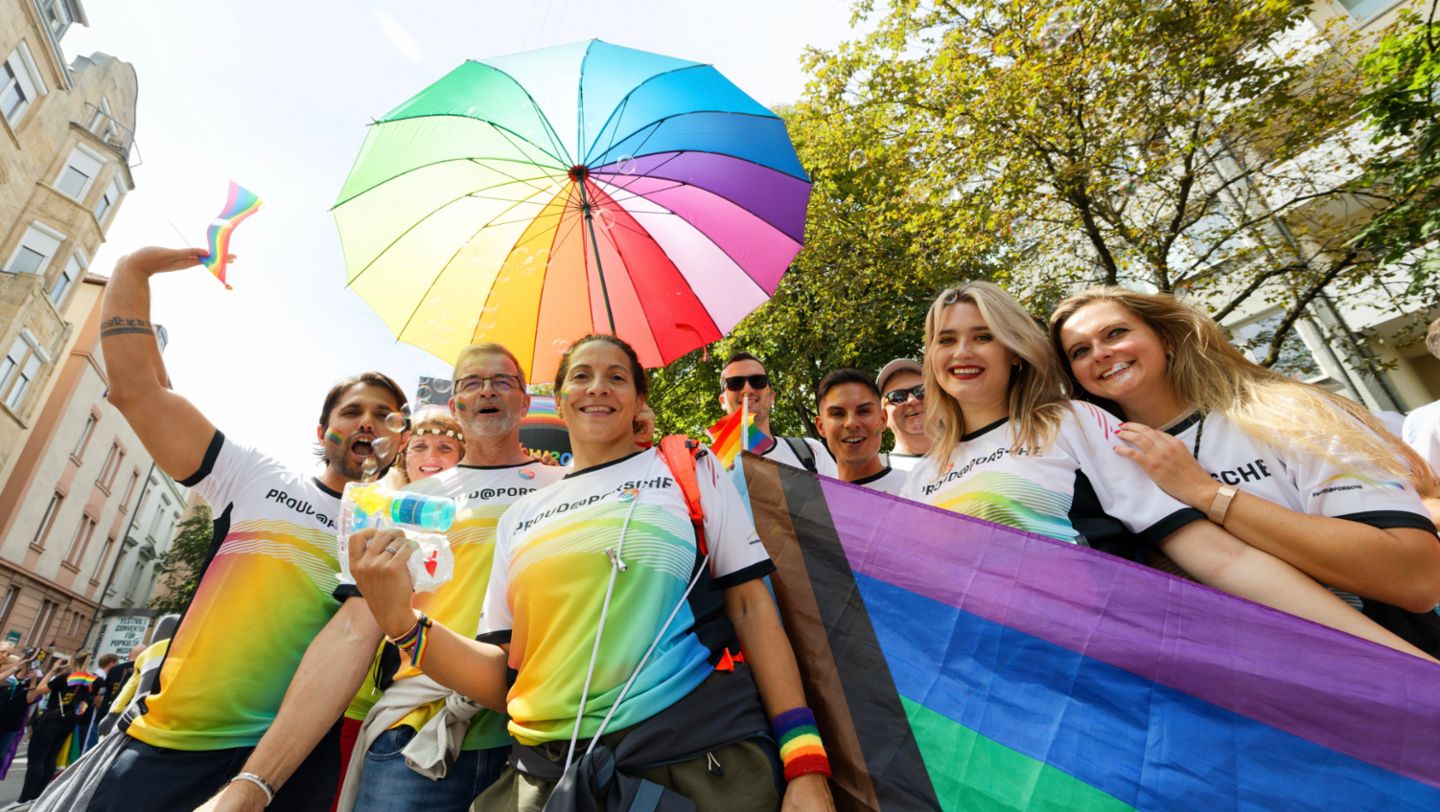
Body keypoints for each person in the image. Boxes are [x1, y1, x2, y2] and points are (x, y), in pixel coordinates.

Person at [351, 334, 836, 811]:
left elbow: (753, 608)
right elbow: (506, 676)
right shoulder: (520, 516)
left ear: (639, 400)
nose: (598, 387)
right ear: (558, 402)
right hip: (546, 780)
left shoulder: (687, 466)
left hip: (697, 765)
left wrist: (805, 762)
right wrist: (403, 626)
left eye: (617, 377)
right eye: (581, 376)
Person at [54, 246, 410, 812]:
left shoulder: (396, 529)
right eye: (352, 411)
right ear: (322, 429)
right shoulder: (253, 476)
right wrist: (134, 269)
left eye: (387, 416)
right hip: (165, 747)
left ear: (403, 442)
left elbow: (359, 636)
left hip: (287, 762)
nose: (368, 421)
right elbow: (137, 391)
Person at [902, 281, 1434, 660]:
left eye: (983, 335)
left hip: (1351, 655)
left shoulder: (1075, 423)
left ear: (1016, 351)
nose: (962, 351)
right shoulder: (919, 479)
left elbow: (1219, 560)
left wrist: (1405, 665)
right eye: (945, 339)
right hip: (1006, 681)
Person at [1050, 287, 1440, 655]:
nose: (1100, 353)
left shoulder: (1287, 413)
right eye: (1080, 351)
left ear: (1166, 339)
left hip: (1398, 668)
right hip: (1255, 700)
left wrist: (1205, 493)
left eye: (1115, 333)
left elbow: (1414, 578)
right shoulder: (1099, 468)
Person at [327, 343, 566, 812]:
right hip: (417, 734)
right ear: (457, 406)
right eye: (472, 383)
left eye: (502, 381)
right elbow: (359, 624)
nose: (487, 391)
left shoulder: (564, 486)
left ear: (523, 401)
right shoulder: (409, 500)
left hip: (539, 735)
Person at [718, 352, 837, 476]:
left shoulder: (811, 451)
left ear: (772, 397)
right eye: (735, 383)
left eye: (758, 381)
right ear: (722, 401)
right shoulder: (709, 469)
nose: (747, 389)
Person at [814, 369, 907, 494]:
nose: (851, 423)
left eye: (863, 411)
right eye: (838, 414)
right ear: (821, 426)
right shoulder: (815, 505)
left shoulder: (918, 490)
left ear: (883, 419)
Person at [20, 653, 95, 801]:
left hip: (51, 718)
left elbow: (40, 690)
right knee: (51, 758)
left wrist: (53, 670)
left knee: (36, 759)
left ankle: (24, 797)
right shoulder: (89, 680)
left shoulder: (64, 677)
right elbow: (86, 702)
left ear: (72, 660)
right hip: (69, 721)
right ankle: (37, 796)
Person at [387, 409, 466, 487]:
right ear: (404, 457)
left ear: (461, 457)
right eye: (419, 446)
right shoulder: (381, 497)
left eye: (445, 447)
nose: (432, 457)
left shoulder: (475, 498)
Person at [876, 358, 930, 470]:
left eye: (921, 391)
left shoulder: (972, 454)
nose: (912, 400)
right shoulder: (874, 474)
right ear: (882, 418)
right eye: (897, 397)